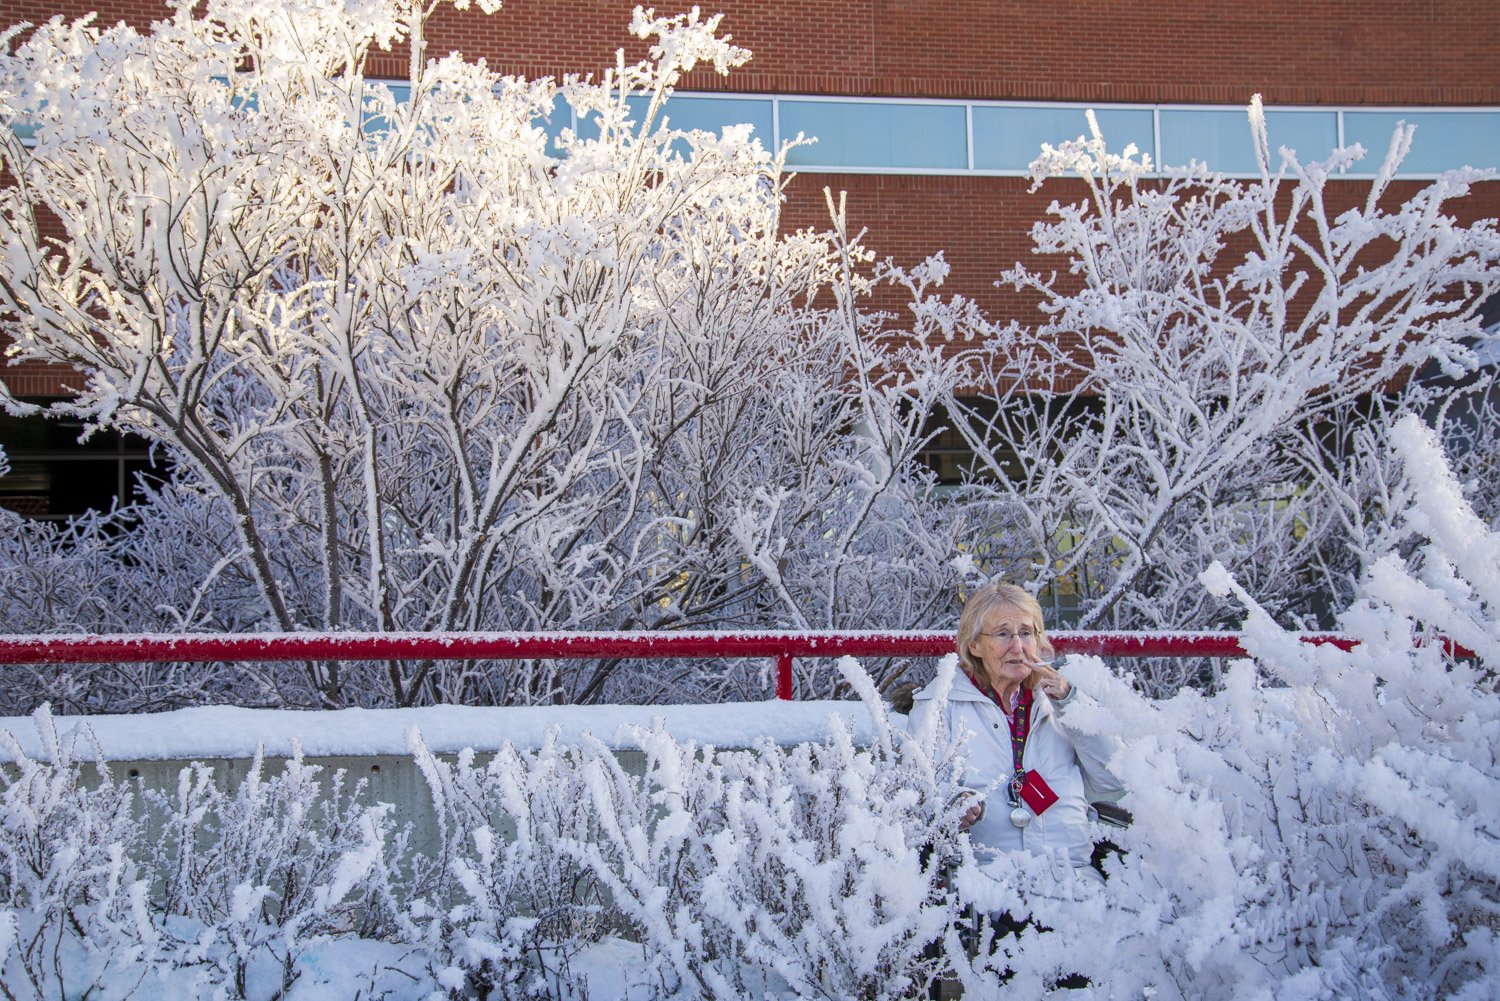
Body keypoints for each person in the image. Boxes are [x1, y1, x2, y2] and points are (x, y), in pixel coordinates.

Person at [906, 583, 1125, 871]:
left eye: (1026, 633)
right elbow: (918, 795)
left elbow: (1114, 779)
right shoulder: (941, 704)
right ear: (974, 645)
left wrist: (1071, 703)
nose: (1018, 647)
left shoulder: (1060, 701)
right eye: (1003, 634)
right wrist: (955, 802)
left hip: (1074, 877)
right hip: (990, 882)